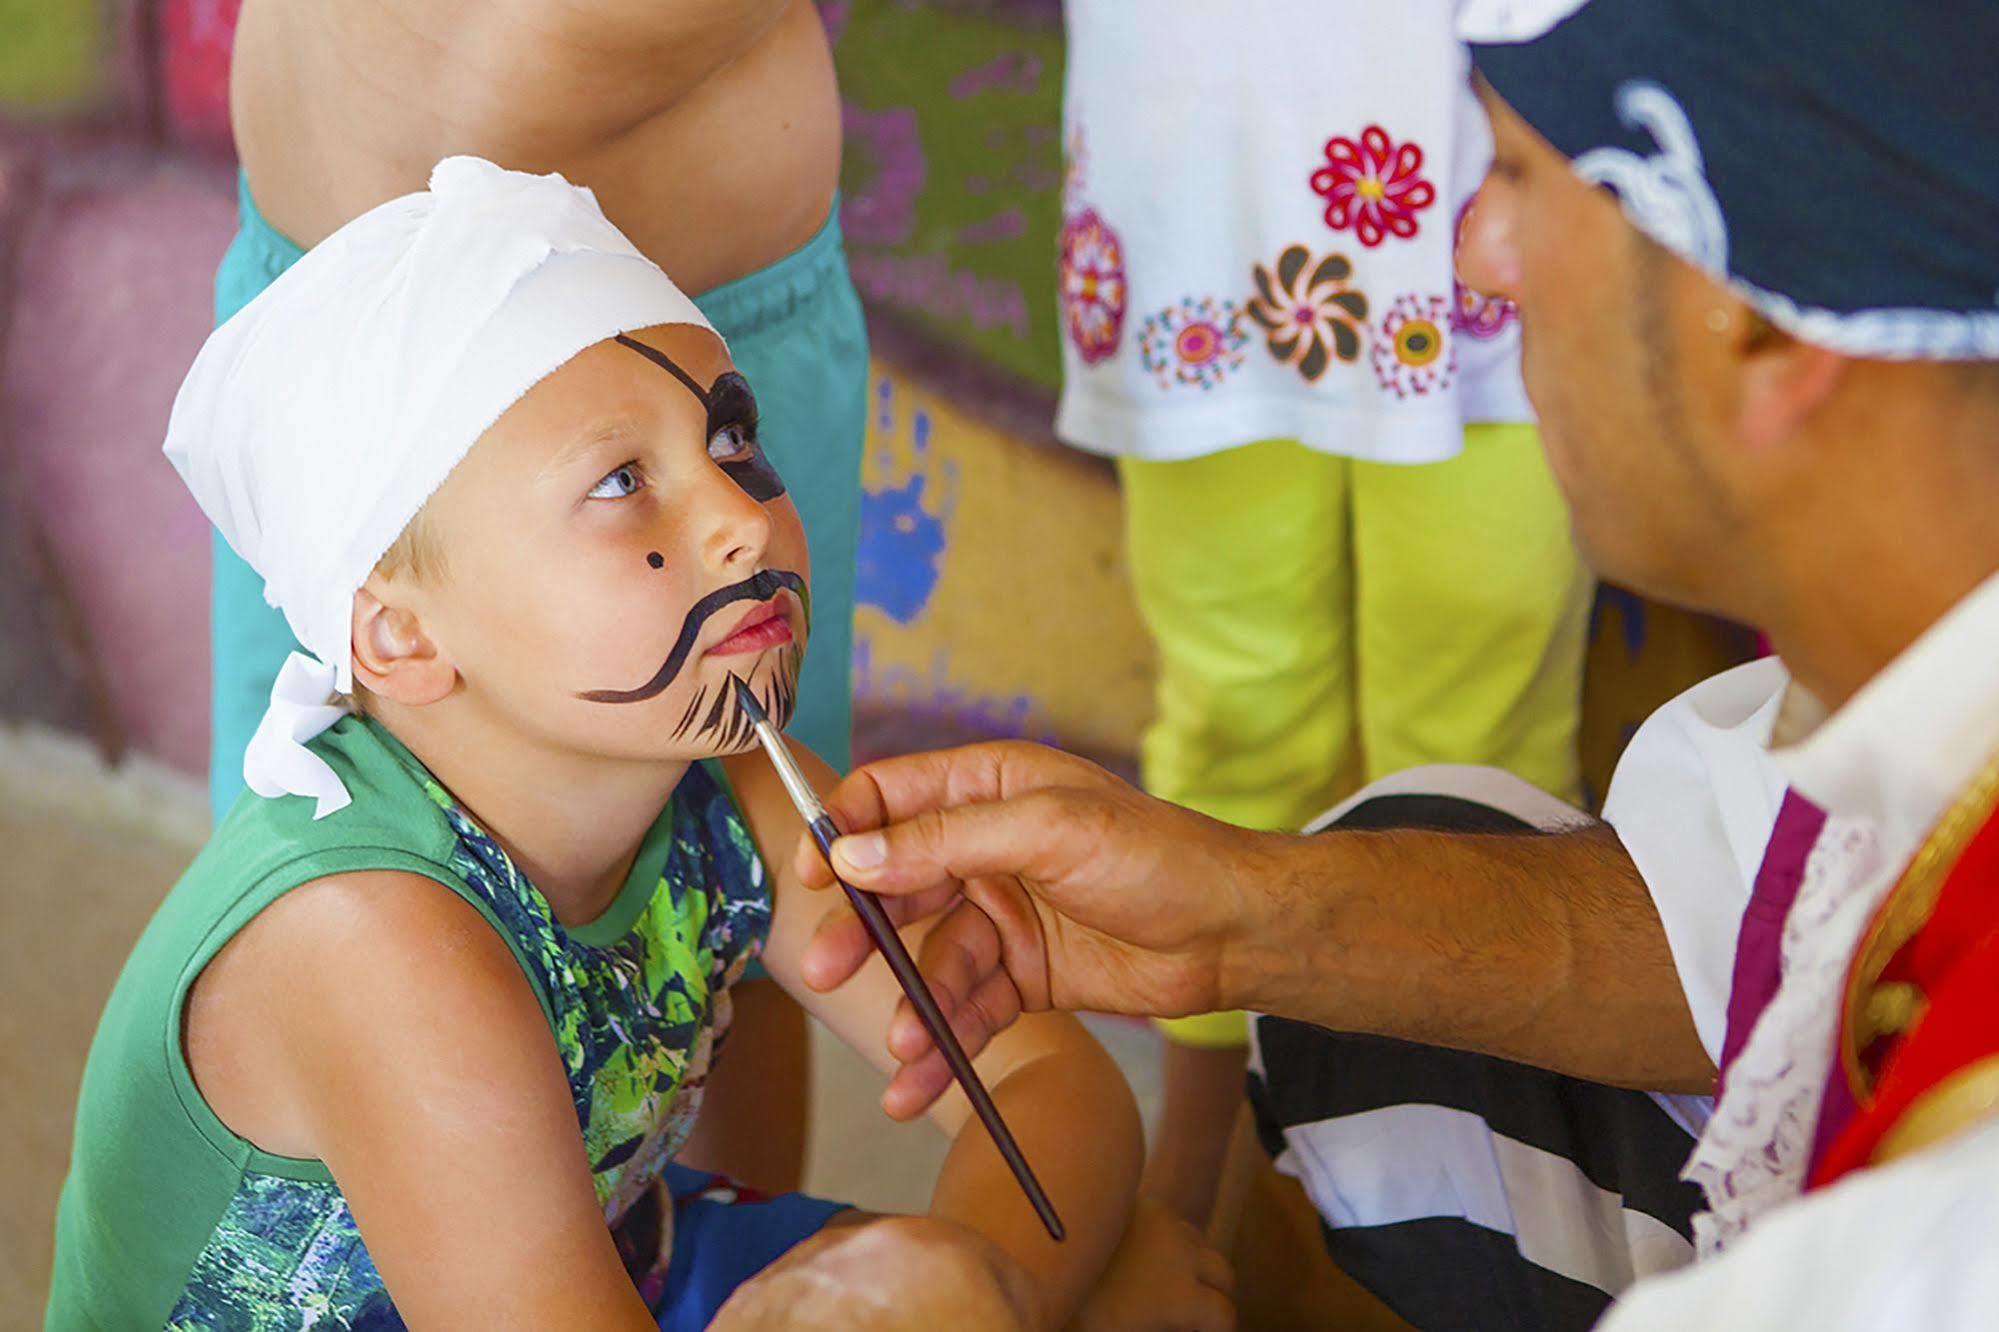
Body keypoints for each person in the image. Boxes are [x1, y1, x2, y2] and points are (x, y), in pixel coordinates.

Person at [793, 2, 1999, 1327]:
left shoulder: (1925, 1255)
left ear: (1761, 320)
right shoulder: (1905, 721)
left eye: (1521, 179)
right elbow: (1742, 915)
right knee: (1415, 852)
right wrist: (1242, 920)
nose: (1468, 258)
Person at [43, 161, 1221, 1331]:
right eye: (620, 480)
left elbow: (1052, 1087)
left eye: (732, 439)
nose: (740, 515)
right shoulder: (375, 942)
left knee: (1125, 1275)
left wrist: (990, 1293)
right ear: (400, 635)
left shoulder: (738, 775)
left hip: (595, 1262)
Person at [218, 0, 864, 1187]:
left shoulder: (702, 492)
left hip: (688, 322)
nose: (737, 520)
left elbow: (963, 1037)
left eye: (738, 459)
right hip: (329, 376)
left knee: (730, 915)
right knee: (332, 938)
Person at [1054, 3, 1590, 1224]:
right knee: (1238, 714)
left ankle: (1491, 1197)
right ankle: (1195, 1191)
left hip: (1491, 193)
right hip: (1199, 185)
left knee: (1482, 750)